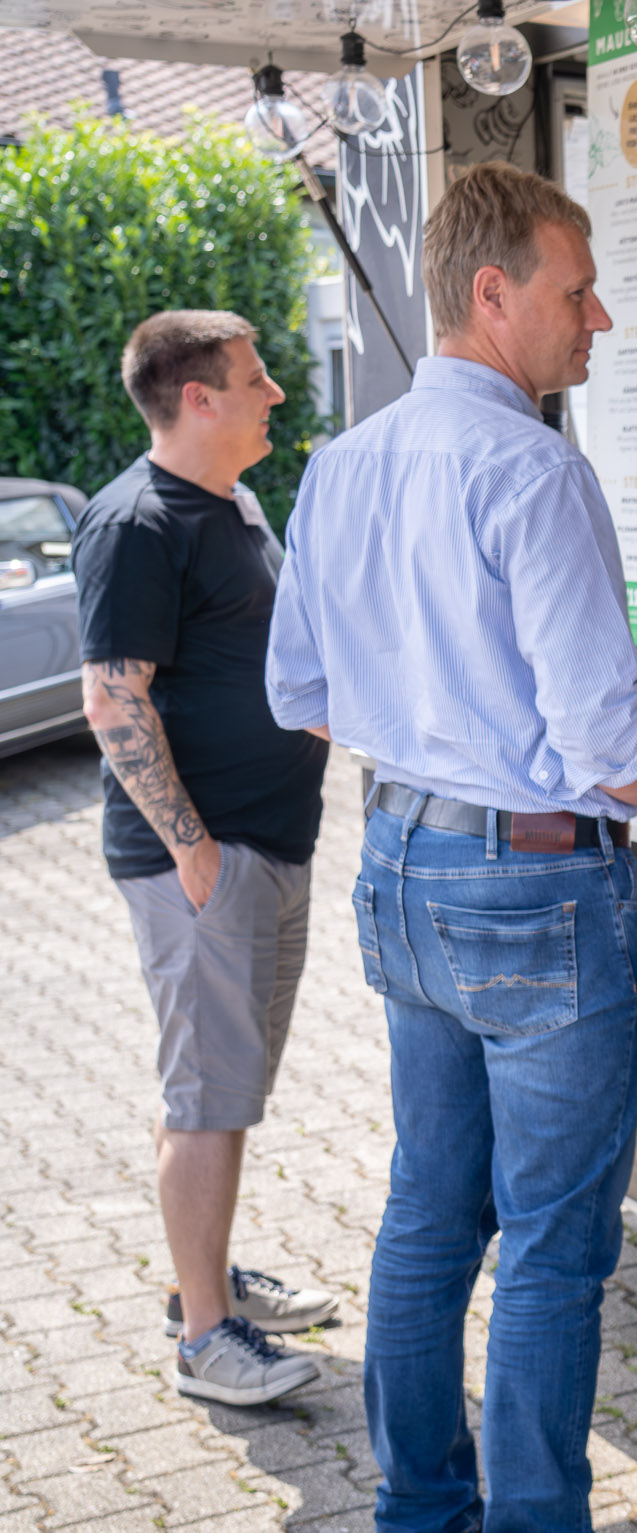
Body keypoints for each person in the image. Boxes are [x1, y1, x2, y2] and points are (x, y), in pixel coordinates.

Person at [264, 162, 637, 1531]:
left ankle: (420, 1508)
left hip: (401, 864)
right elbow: (601, 729)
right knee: (549, 1246)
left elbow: (295, 696)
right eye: (577, 291)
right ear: (495, 295)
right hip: (535, 886)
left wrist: (434, 728)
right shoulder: (535, 468)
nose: (597, 321)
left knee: (429, 1215)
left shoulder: (340, 465)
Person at [74, 310, 341, 1407]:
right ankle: (203, 1340)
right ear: (198, 398)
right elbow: (111, 696)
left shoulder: (229, 504)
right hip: (208, 859)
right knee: (205, 1096)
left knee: (223, 1086)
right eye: (255, 376)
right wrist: (190, 848)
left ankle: (209, 1278)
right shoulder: (136, 522)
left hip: (266, 841)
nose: (275, 392)